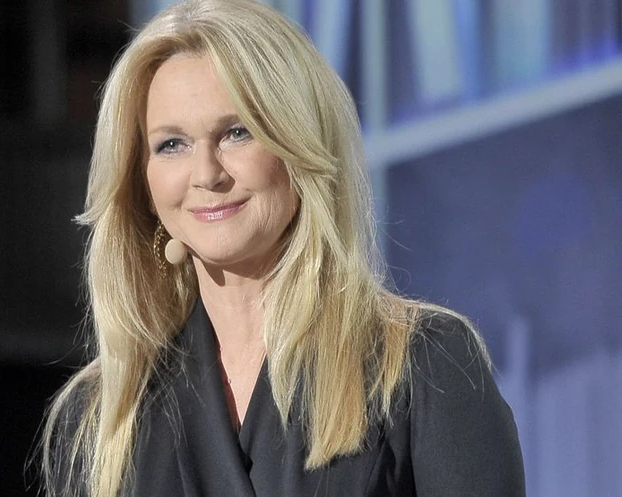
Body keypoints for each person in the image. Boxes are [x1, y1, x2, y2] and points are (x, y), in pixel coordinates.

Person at [39, 1, 525, 496]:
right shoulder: (99, 418)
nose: (206, 174)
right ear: (142, 185)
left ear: (299, 146)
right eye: (171, 145)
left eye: (237, 133)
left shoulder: (424, 366)